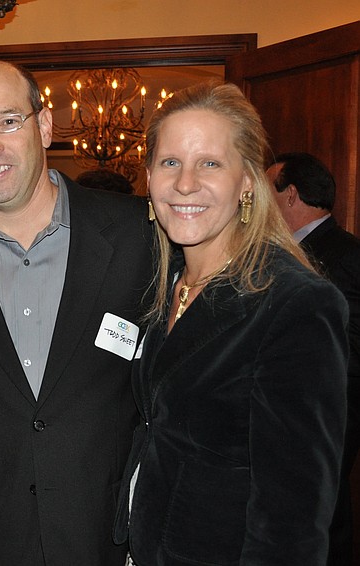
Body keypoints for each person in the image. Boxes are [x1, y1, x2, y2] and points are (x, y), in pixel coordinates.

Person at [0, 60, 154, 565]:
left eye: (8, 121)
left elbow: (163, 396)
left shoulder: (135, 234)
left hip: (108, 537)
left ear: (44, 125)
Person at [114, 83, 348, 565]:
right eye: (170, 162)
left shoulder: (295, 304)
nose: (184, 183)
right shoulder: (168, 283)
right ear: (150, 176)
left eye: (210, 163)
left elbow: (293, 522)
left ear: (247, 181)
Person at [267, 152, 360, 566]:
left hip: (328, 414)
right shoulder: (285, 252)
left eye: (266, 190)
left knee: (323, 518)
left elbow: (352, 350)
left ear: (289, 196)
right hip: (292, 414)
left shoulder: (342, 256)